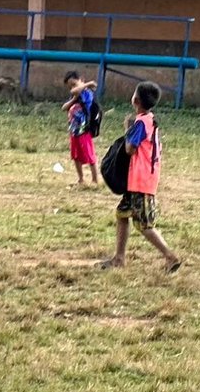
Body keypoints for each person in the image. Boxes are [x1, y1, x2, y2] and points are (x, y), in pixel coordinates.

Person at [98, 82, 182, 273]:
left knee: (144, 225)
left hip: (140, 181)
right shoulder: (150, 119)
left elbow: (130, 149)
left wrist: (128, 129)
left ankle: (170, 256)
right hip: (139, 180)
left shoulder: (141, 123)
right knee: (121, 215)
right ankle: (119, 258)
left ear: (135, 100)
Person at [62, 71, 99, 185]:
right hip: (74, 131)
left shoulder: (87, 93)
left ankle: (94, 179)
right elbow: (64, 108)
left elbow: (76, 90)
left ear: (81, 80)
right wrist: (73, 99)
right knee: (76, 155)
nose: (72, 88)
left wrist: (86, 85)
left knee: (89, 155)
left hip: (84, 130)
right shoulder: (73, 96)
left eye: (74, 83)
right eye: (70, 86)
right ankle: (81, 179)